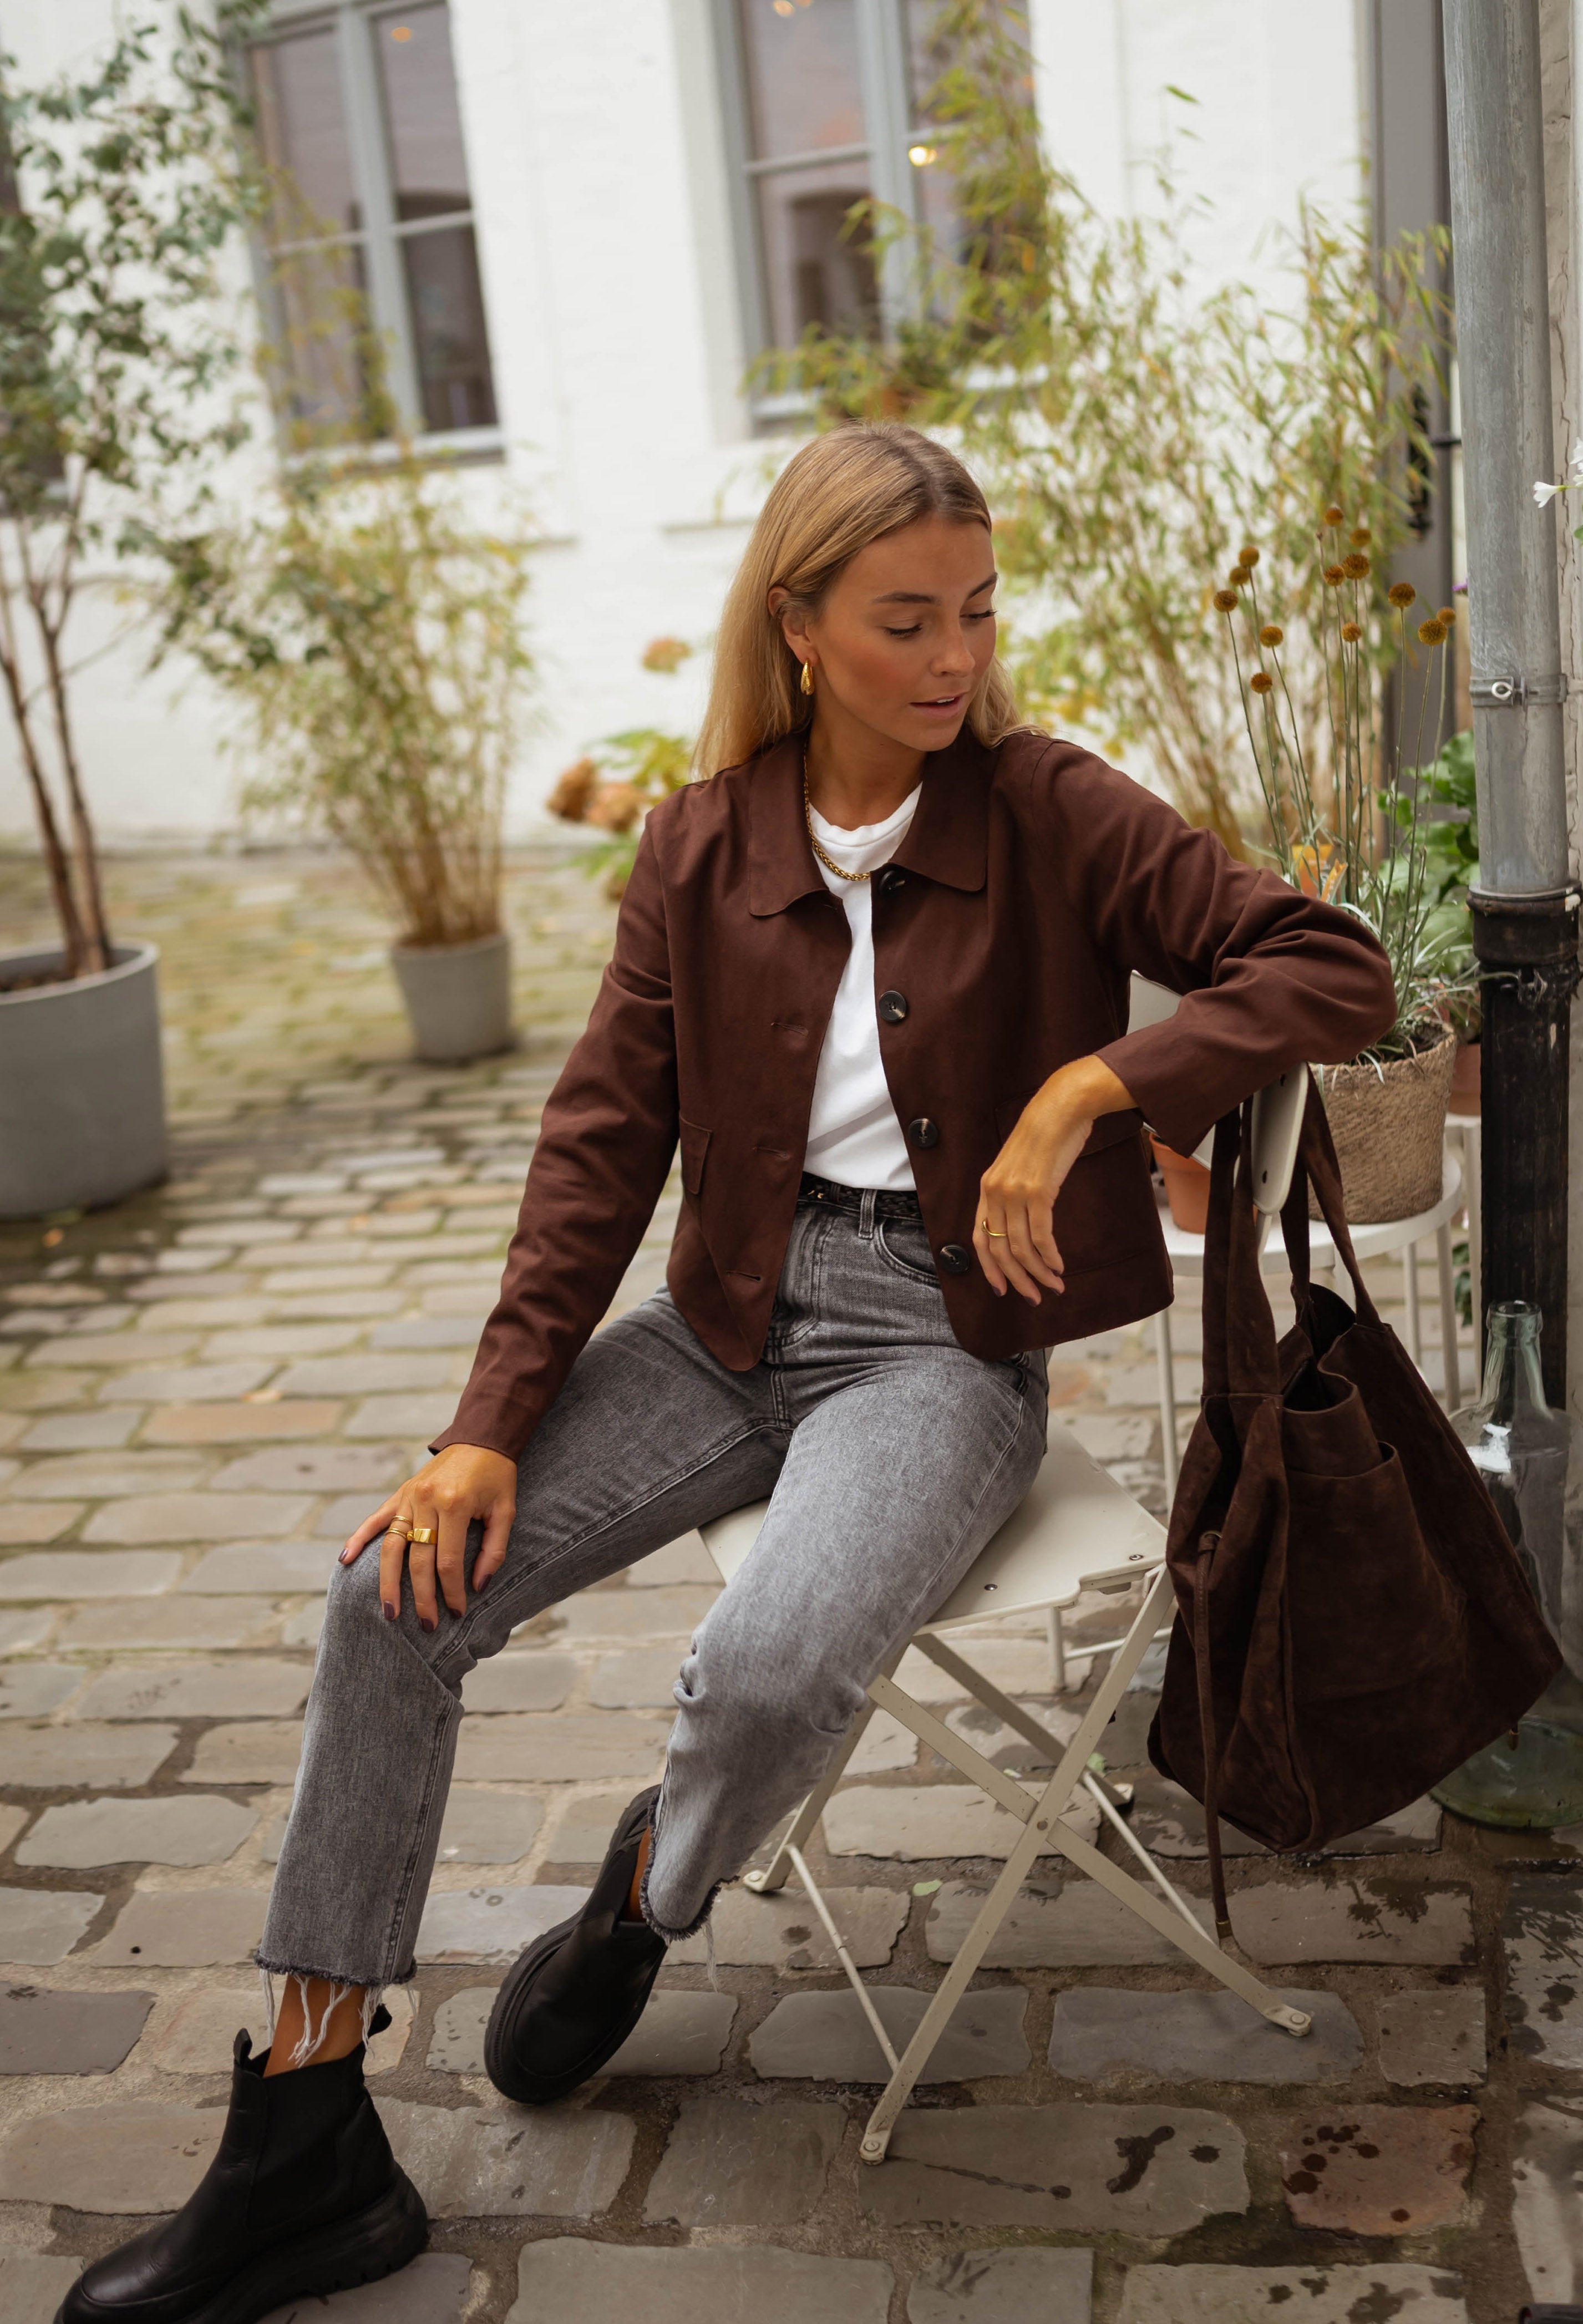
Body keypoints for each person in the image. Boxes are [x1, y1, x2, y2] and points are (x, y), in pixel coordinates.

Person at [62, 423, 1394, 2322]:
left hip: (941, 1353)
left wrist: (1091, 1088)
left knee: (768, 1667)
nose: (954, 656)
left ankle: (643, 1899)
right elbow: (598, 1146)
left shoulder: (1049, 808)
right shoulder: (697, 847)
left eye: (978, 612)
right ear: (796, 626)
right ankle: (304, 2138)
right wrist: (481, 1431)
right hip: (723, 1328)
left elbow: (1327, 966)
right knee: (386, 1599)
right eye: (903, 620)